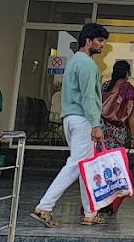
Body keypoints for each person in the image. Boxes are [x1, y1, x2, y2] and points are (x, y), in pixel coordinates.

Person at [31, 23, 108, 228]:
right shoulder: (87, 64)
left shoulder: (75, 61)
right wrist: (95, 124)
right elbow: (88, 97)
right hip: (83, 119)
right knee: (76, 164)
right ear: (89, 41)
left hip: (72, 118)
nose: (102, 45)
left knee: (85, 166)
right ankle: (44, 206)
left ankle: (91, 213)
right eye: (100, 41)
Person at [100, 59, 134, 216]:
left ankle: (99, 201)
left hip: (101, 130)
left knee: (101, 168)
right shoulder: (128, 89)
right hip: (117, 133)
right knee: (116, 170)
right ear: (127, 73)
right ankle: (111, 204)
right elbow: (130, 114)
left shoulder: (105, 86)